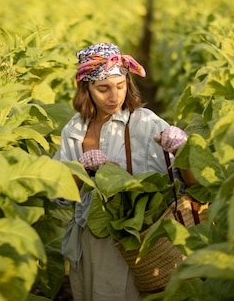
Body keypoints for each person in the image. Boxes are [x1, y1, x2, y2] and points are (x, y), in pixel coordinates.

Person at [54, 42, 194, 301]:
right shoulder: (73, 130)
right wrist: (81, 170)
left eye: (120, 86)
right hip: (90, 242)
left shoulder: (146, 122)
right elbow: (60, 195)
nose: (114, 96)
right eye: (103, 89)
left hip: (135, 239)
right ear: (86, 89)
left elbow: (188, 186)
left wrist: (184, 151)